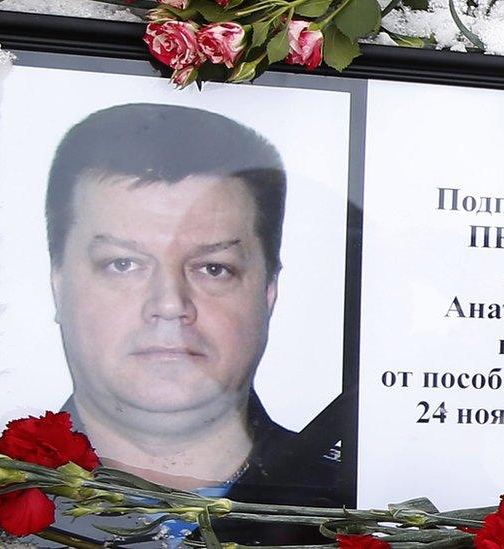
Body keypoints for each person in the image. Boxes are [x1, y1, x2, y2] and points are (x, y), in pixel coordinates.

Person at [43, 103, 341, 545]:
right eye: (123, 264)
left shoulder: (371, 508)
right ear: (57, 284)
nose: (169, 304)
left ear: (268, 291)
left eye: (213, 268)